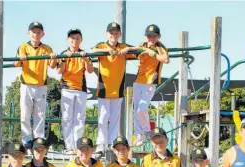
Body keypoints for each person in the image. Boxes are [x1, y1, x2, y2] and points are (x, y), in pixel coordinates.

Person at [92, 22, 136, 155]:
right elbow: (92, 51)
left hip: (118, 88)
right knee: (103, 117)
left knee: (115, 118)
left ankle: (112, 142)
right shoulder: (101, 45)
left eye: (116, 33)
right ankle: (101, 143)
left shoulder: (123, 46)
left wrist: (127, 50)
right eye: (111, 33)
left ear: (120, 34)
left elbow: (138, 50)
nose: (114, 35)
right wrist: (108, 51)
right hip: (104, 87)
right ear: (107, 34)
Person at [14, 21, 57, 148]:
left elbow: (53, 66)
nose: (36, 34)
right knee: (25, 113)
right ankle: (26, 139)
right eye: (33, 32)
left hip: (41, 85)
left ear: (42, 34)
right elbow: (16, 64)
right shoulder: (23, 47)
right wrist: (19, 57)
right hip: (27, 84)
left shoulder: (47, 48)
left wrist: (53, 58)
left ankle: (38, 138)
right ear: (29, 33)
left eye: (38, 32)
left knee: (40, 114)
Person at [57, 28, 94, 154]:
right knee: (67, 118)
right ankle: (69, 146)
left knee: (79, 118)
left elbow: (90, 70)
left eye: (77, 38)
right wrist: (63, 59)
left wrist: (85, 59)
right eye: (72, 38)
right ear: (68, 40)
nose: (75, 40)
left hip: (81, 89)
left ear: (81, 40)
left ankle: (78, 144)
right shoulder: (64, 53)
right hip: (67, 88)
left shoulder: (84, 53)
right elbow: (59, 71)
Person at [133, 24, 169, 146]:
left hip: (150, 82)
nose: (151, 38)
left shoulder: (159, 47)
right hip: (138, 80)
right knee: (136, 109)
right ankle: (139, 135)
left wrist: (152, 53)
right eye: (149, 36)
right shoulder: (142, 45)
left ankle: (147, 130)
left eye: (154, 36)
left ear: (158, 36)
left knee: (142, 108)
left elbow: (165, 59)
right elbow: (135, 53)